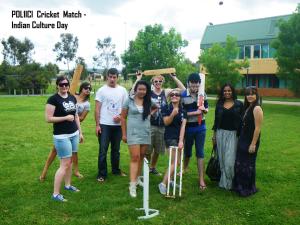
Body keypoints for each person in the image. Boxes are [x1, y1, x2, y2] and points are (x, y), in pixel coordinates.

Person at [131, 73, 185, 176]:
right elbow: (134, 92)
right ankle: (145, 170)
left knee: (158, 149)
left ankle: (152, 168)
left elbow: (182, 90)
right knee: (147, 150)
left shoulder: (166, 92)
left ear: (162, 82)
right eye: (156, 81)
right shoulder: (149, 93)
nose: (158, 83)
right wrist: (138, 78)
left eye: (160, 81)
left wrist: (174, 77)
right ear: (153, 83)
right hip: (150, 124)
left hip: (162, 125)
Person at [40, 81, 91, 181]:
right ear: (81, 89)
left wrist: (75, 124)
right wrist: (66, 117)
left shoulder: (86, 104)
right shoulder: (72, 96)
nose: (88, 90)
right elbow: (52, 115)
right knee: (54, 151)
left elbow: (80, 118)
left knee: (74, 152)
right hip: (62, 131)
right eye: (86, 88)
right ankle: (44, 171)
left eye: (90, 89)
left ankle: (75, 171)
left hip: (74, 128)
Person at [45, 76, 83, 202]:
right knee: (64, 164)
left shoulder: (72, 97)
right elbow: (48, 118)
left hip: (74, 134)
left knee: (70, 161)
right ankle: (55, 194)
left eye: (66, 84)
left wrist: (80, 133)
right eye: (62, 84)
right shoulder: (53, 99)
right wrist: (65, 118)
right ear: (57, 85)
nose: (65, 86)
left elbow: (76, 116)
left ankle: (67, 185)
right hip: (61, 136)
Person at [121, 80, 156, 198]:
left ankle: (137, 179)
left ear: (147, 91)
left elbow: (157, 107)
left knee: (142, 156)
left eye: (144, 90)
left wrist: (150, 114)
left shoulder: (148, 101)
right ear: (135, 90)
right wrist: (124, 134)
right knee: (135, 157)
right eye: (140, 89)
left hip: (145, 132)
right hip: (133, 133)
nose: (142, 92)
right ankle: (132, 185)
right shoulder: (128, 101)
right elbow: (123, 118)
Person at [95, 68, 128, 183]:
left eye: (114, 77)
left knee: (116, 150)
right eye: (110, 77)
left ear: (117, 77)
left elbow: (125, 108)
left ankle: (116, 170)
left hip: (118, 126)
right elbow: (97, 109)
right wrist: (97, 125)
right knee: (103, 150)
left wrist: (120, 115)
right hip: (104, 125)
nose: (112, 79)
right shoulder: (101, 90)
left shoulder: (123, 91)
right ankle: (102, 174)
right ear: (107, 77)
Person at [233, 86, 263, 197]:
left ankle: (247, 188)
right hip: (243, 138)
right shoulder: (248, 107)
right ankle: (239, 186)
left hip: (250, 140)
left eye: (252, 94)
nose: (250, 96)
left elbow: (258, 128)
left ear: (256, 95)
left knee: (248, 164)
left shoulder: (257, 108)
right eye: (248, 94)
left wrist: (253, 144)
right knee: (240, 163)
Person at [212, 83, 243, 190]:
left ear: (232, 91)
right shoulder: (219, 104)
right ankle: (223, 182)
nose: (227, 92)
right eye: (225, 91)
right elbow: (216, 122)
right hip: (220, 133)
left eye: (229, 90)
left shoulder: (239, 104)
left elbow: (243, 121)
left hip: (233, 135)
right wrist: (214, 136)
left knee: (230, 161)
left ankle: (231, 181)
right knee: (222, 159)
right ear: (222, 92)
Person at [181, 73, 208, 190]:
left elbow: (206, 108)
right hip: (188, 128)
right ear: (188, 84)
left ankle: (201, 179)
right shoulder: (183, 96)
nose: (194, 89)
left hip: (201, 128)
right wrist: (195, 113)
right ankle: (184, 168)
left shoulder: (202, 95)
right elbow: (181, 114)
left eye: (196, 86)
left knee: (200, 152)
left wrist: (204, 110)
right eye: (192, 86)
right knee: (187, 151)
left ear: (199, 84)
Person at [158, 88, 187, 194]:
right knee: (174, 162)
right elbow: (166, 122)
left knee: (177, 162)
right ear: (170, 97)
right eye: (172, 94)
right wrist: (173, 114)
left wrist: (181, 141)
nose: (174, 96)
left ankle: (170, 180)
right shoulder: (166, 108)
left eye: (177, 94)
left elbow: (183, 126)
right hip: (170, 138)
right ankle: (163, 184)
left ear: (180, 97)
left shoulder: (183, 111)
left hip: (179, 138)